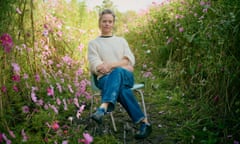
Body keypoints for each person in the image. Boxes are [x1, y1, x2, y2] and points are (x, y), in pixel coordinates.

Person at [87, 9, 152, 139]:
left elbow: (129, 60)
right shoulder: (93, 44)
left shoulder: (121, 41)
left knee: (117, 72)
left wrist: (111, 65)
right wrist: (121, 64)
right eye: (104, 21)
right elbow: (96, 65)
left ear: (113, 23)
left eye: (110, 21)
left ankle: (103, 107)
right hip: (104, 79)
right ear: (99, 23)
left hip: (126, 77)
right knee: (121, 89)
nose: (107, 24)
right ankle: (144, 123)